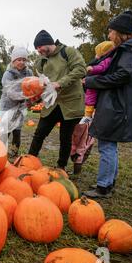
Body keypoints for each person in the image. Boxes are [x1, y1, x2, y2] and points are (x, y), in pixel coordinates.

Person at [83, 10, 132, 198]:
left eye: (111, 31)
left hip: (116, 106)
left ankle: (103, 186)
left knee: (106, 145)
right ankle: (108, 182)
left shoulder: (130, 49)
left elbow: (123, 75)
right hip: (115, 104)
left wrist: (91, 82)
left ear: (120, 32)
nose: (109, 35)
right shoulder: (127, 49)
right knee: (109, 145)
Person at [28, 30, 87, 171]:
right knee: (39, 133)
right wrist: (34, 98)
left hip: (70, 103)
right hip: (51, 104)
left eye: (39, 47)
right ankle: (29, 161)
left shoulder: (69, 52)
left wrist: (59, 83)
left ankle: (61, 167)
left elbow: (81, 69)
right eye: (36, 49)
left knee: (65, 138)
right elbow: (39, 84)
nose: (38, 51)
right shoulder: (40, 62)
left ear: (47, 43)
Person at [70, 41, 115, 175]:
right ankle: (77, 156)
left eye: (97, 53)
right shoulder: (99, 62)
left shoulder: (106, 62)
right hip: (87, 105)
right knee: (79, 136)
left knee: (83, 136)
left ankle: (78, 160)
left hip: (93, 106)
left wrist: (90, 73)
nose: (95, 55)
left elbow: (97, 69)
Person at [0, 46, 33, 160]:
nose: (21, 62)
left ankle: (14, 153)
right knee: (6, 130)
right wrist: (26, 96)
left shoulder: (29, 73)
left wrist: (32, 97)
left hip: (21, 106)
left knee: (17, 130)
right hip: (7, 106)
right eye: (19, 59)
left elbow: (32, 86)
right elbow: (10, 92)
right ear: (13, 60)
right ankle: (1, 151)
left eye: (24, 60)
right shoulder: (8, 74)